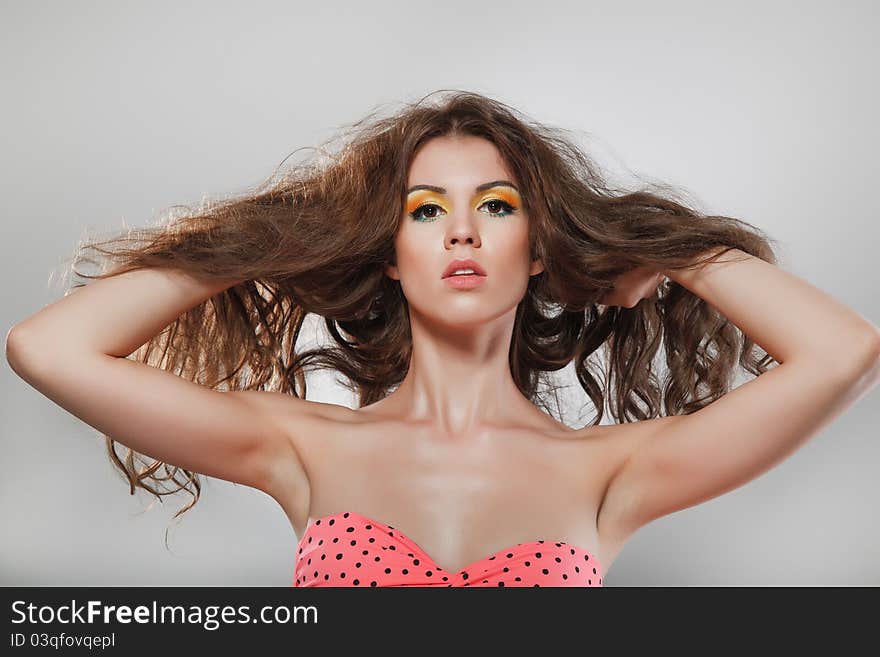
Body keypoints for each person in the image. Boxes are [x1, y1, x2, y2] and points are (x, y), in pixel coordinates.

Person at [6, 90, 879, 587]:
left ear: (537, 248)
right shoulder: (298, 444)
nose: (461, 232)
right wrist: (280, 233)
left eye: (495, 207)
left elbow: (846, 352)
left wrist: (674, 246)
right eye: (426, 212)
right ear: (390, 254)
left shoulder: (611, 470)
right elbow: (49, 349)